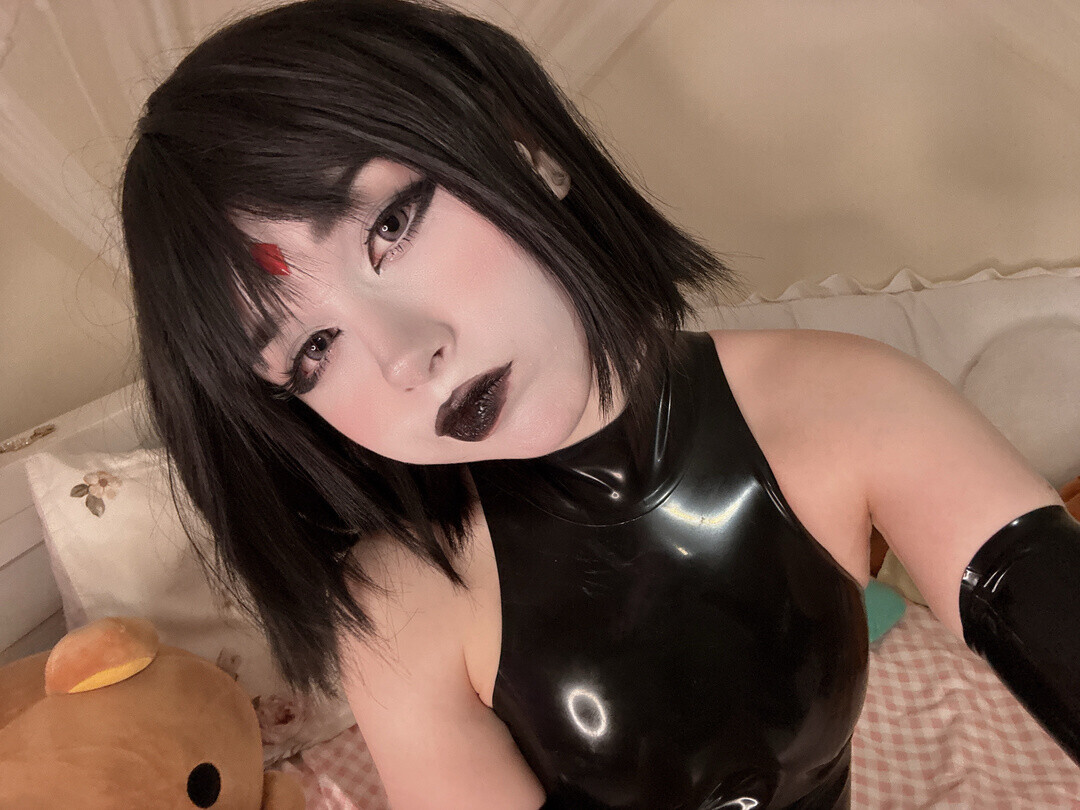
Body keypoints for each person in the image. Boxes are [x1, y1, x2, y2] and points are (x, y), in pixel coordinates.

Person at [120, 1, 1080, 807]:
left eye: (393, 227)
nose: (406, 357)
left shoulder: (847, 402)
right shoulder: (405, 608)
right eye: (313, 350)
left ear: (526, 150)